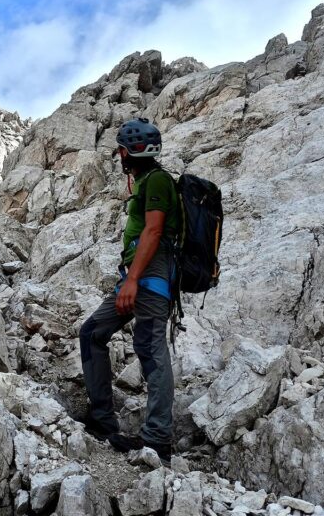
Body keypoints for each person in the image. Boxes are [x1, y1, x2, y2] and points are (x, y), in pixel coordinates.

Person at [78, 117, 180, 463]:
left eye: (121, 149)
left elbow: (153, 232)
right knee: (92, 332)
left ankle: (157, 439)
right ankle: (102, 420)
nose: (119, 155)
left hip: (149, 279)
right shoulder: (146, 182)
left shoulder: (158, 181)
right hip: (136, 277)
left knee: (151, 350)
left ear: (131, 151)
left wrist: (134, 279)